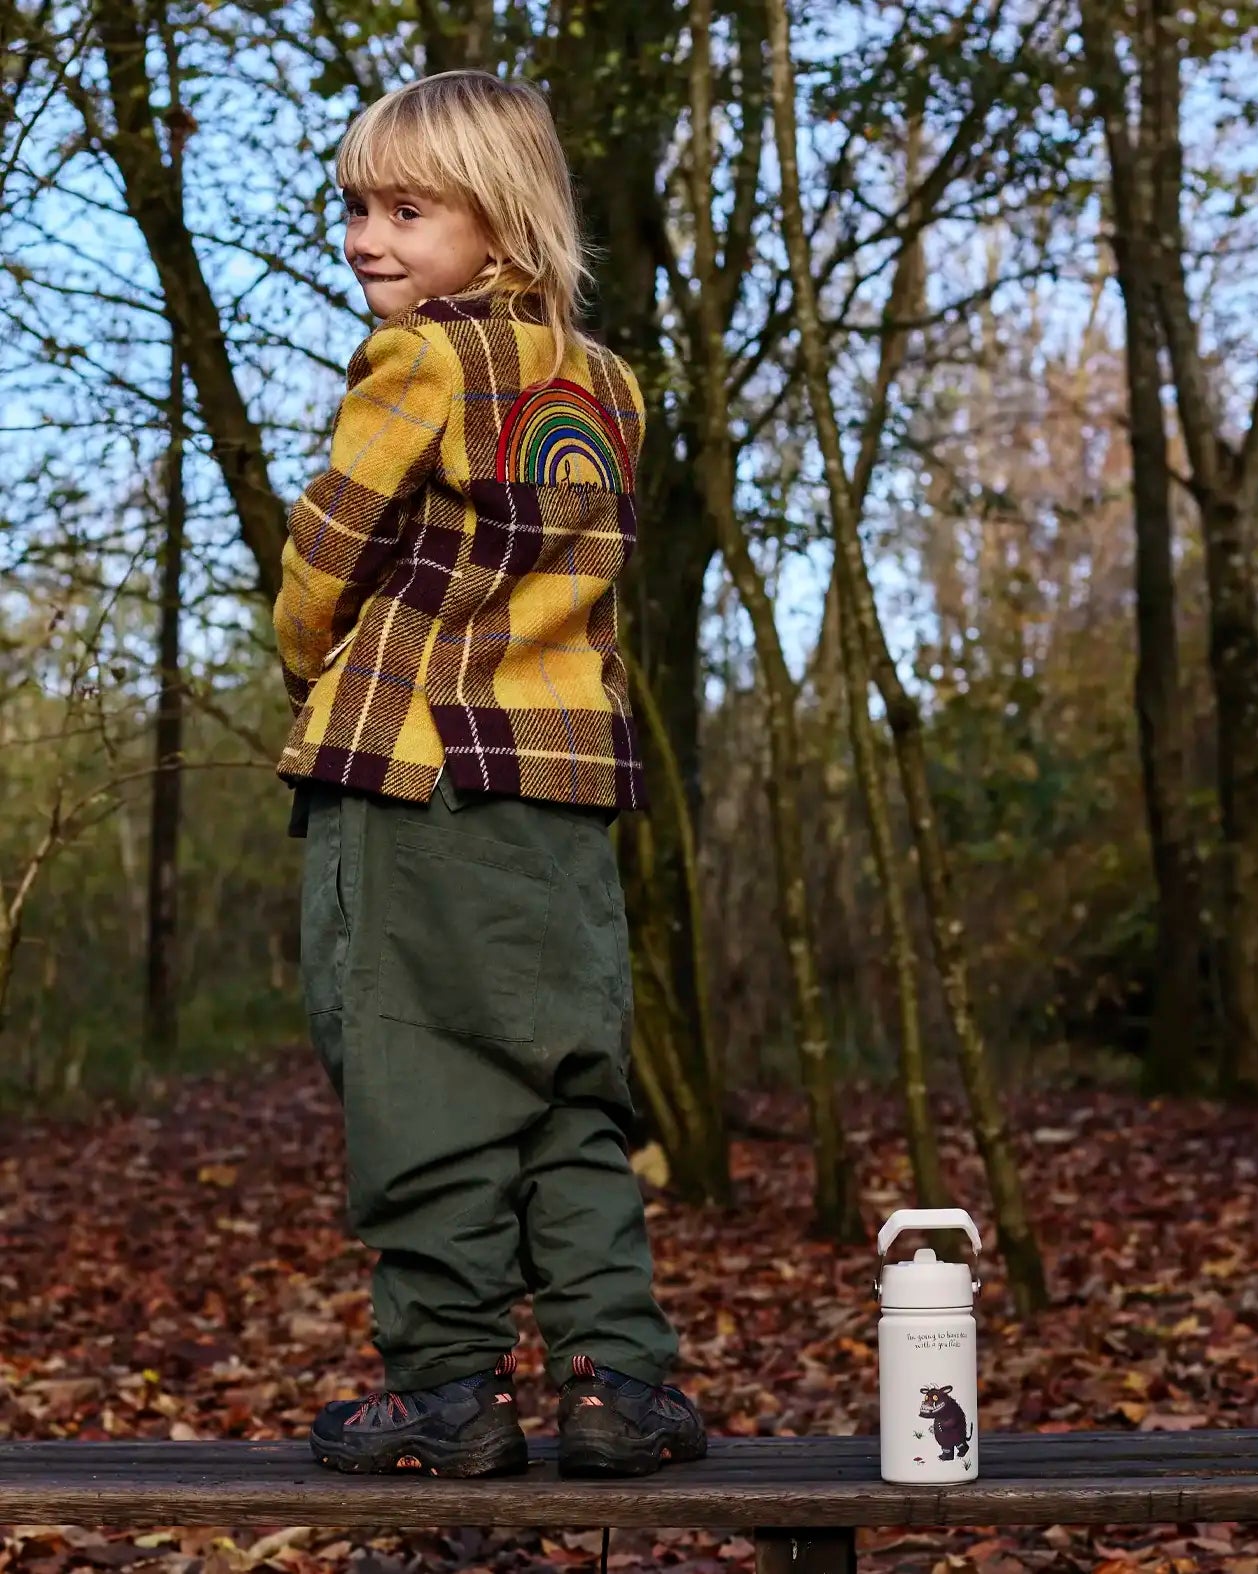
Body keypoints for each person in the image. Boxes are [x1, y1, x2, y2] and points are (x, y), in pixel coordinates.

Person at [271, 70, 705, 1481]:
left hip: (412, 776)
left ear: (501, 229)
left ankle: (451, 1383)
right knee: (571, 1080)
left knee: (422, 1073)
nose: (366, 239)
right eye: (356, 207)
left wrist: (308, 663)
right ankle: (616, 1377)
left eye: (406, 209)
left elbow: (325, 556)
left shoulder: (418, 365)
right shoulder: (614, 385)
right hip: (566, 782)